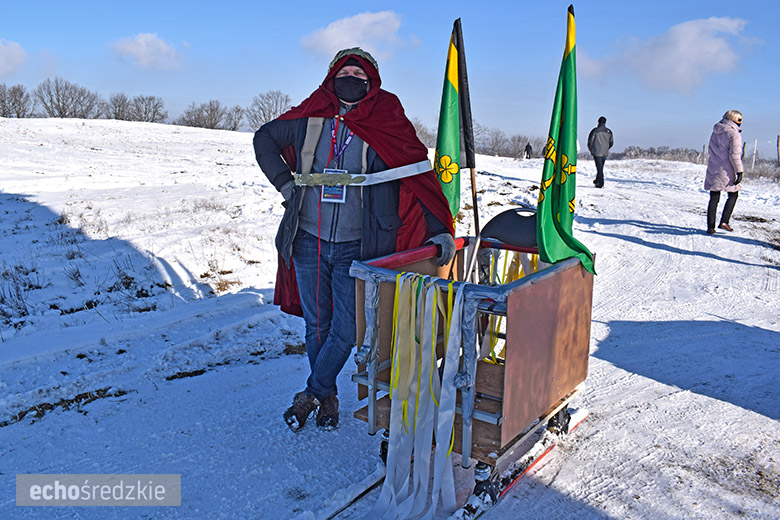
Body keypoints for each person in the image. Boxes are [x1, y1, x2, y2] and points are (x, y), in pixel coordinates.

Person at [253, 48, 455, 432]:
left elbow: (417, 175)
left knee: (347, 328)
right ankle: (327, 400)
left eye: (358, 74)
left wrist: (439, 227)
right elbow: (264, 138)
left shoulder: (387, 117)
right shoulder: (311, 113)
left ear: (371, 81)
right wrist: (285, 185)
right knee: (316, 324)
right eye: (344, 71)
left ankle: (312, 391)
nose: (350, 77)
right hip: (307, 238)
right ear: (332, 76)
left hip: (357, 245)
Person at [704, 110, 743, 234]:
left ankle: (710, 227)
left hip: (713, 167)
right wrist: (739, 171)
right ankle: (724, 222)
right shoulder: (734, 134)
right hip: (727, 169)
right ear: (734, 120)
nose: (741, 122)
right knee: (733, 194)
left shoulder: (715, 132)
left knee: (714, 197)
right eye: (739, 120)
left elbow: (710, 149)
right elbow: (734, 155)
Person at [587, 116, 614, 188]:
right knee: (600, 167)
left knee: (599, 168)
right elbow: (611, 143)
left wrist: (591, 150)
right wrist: (606, 148)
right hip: (605, 152)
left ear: (598, 122)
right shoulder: (609, 131)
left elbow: (590, 141)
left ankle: (600, 183)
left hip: (597, 151)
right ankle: (597, 180)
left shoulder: (595, 131)